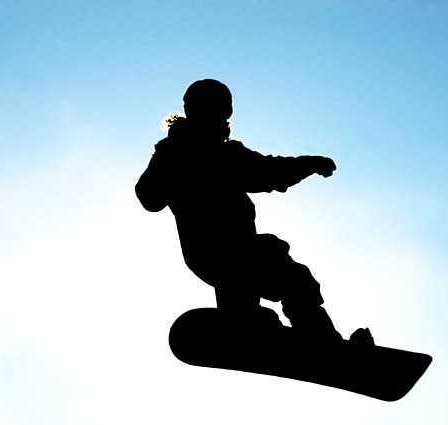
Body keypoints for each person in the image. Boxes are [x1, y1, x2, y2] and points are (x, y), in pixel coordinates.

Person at [136, 78, 373, 345]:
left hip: (225, 253)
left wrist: (309, 164)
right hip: (223, 251)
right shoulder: (182, 152)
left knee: (270, 281)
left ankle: (248, 321)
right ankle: (319, 341)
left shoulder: (226, 154)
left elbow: (269, 172)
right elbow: (149, 197)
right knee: (287, 275)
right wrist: (170, 164)